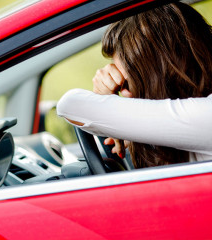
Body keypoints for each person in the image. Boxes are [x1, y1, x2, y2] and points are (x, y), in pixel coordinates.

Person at [57, 2, 212, 168]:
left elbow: (70, 104)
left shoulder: (204, 116)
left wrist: (105, 99)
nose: (125, 95)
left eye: (127, 83)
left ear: (157, 75)